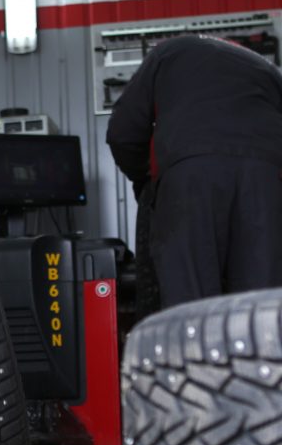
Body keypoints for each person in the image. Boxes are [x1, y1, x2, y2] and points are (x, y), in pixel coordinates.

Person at [106, 34, 282, 309]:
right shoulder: (267, 70)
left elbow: (123, 133)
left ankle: (194, 350)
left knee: (191, 304)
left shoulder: (170, 51)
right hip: (265, 180)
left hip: (192, 175)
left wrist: (147, 184)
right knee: (261, 308)